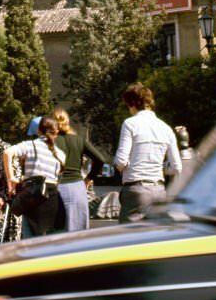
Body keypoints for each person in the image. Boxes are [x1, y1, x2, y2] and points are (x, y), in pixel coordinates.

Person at [113, 83, 181, 223]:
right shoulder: (166, 128)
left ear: (132, 104)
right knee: (153, 234)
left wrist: (124, 167)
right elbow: (176, 167)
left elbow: (121, 161)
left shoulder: (130, 124)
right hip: (159, 191)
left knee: (129, 234)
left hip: (136, 189)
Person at [4, 115, 66, 237]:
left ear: (38, 131)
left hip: (33, 195)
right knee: (50, 239)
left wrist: (10, 178)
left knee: (31, 238)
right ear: (56, 132)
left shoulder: (30, 145)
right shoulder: (60, 154)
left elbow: (7, 153)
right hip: (52, 199)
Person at [52, 107, 102, 232]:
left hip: (56, 187)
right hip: (77, 188)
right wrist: (89, 178)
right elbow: (100, 159)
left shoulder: (50, 142)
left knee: (56, 233)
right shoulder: (79, 140)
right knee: (78, 233)